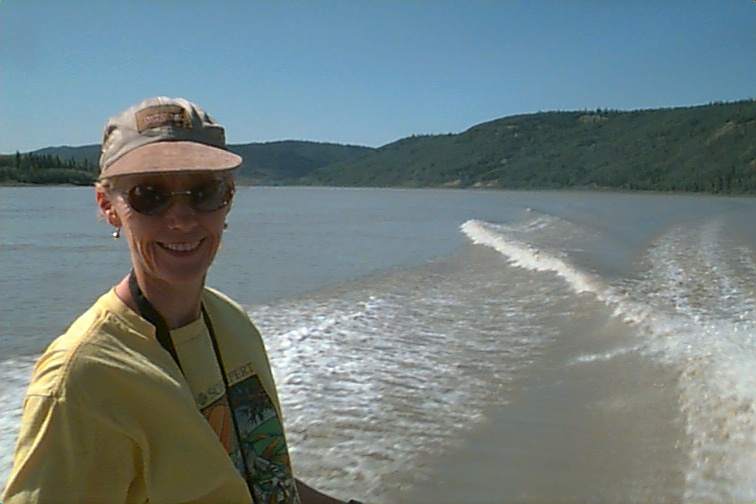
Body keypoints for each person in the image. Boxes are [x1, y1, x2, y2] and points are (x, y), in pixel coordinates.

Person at [3, 97, 362, 504]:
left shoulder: (232, 321)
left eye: (205, 192)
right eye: (149, 194)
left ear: (229, 198)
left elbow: (263, 478)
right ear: (108, 207)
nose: (182, 218)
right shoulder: (82, 380)